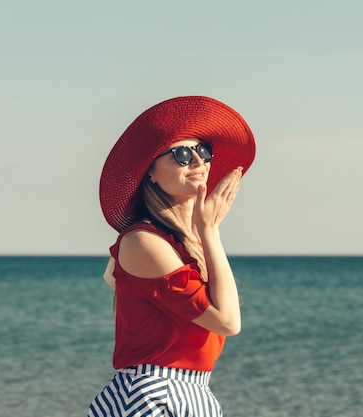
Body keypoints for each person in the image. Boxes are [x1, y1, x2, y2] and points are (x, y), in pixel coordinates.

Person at [89, 96, 256, 417]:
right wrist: (210, 231)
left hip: (190, 392)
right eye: (181, 154)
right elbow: (227, 321)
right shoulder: (143, 240)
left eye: (203, 150)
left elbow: (112, 276)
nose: (198, 161)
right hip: (154, 393)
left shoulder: (170, 242)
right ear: (149, 173)